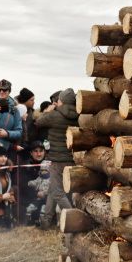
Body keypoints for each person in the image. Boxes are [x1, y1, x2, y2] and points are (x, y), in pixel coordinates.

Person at [34, 88, 78, 229]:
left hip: (57, 160)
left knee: (57, 192)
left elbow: (39, 122)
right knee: (54, 191)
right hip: (72, 159)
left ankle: (75, 219)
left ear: (62, 101)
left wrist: (49, 110)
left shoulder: (54, 115)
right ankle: (46, 221)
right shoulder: (78, 116)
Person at [0, 79, 22, 157]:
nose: (1, 92)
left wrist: (7, 133)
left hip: (5, 148)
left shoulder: (14, 109)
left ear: (9, 91)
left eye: (5, 90)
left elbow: (19, 131)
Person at [21, 141, 50, 225]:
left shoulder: (48, 164)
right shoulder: (26, 166)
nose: (39, 154)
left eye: (41, 151)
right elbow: (23, 185)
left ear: (44, 152)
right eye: (36, 151)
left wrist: (46, 192)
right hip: (31, 196)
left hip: (46, 194)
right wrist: (36, 193)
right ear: (31, 153)